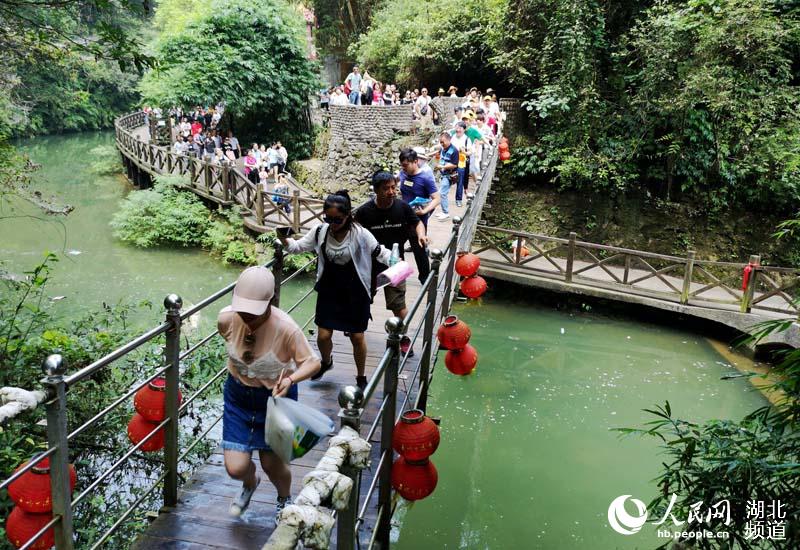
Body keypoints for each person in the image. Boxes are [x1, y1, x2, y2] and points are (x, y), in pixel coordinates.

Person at [217, 266, 321, 521]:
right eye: (242, 309)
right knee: (235, 467)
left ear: (270, 301)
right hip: (238, 397)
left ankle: (284, 498)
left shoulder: (286, 328)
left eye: (253, 311)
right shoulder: (227, 319)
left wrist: (291, 378)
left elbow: (312, 362)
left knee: (272, 464)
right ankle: (250, 483)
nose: (246, 316)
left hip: (275, 400)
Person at [278, 191, 392, 390]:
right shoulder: (320, 231)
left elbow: (381, 253)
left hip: (355, 291)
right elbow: (297, 247)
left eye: (337, 219)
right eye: (328, 218)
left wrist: (398, 264)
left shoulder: (360, 234)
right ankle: (326, 361)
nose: (332, 223)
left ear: (347, 216)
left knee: (357, 337)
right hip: (329, 289)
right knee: (323, 335)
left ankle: (361, 376)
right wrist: (284, 239)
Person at [355, 172, 428, 354]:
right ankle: (356, 329)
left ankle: (404, 337)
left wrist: (421, 234)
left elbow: (417, 223)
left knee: (399, 305)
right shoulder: (364, 212)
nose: (391, 191)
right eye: (386, 188)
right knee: (362, 300)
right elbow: (353, 234)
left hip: (395, 265)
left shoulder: (402, 207)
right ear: (376, 190)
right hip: (368, 265)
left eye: (393, 187)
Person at [434, 132, 459, 220]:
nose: (441, 144)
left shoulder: (454, 151)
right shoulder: (443, 148)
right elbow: (437, 153)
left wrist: (443, 166)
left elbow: (455, 165)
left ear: (449, 140)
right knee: (442, 193)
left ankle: (446, 212)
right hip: (442, 174)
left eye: (443, 142)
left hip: (449, 175)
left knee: (442, 193)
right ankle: (444, 211)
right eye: (440, 142)